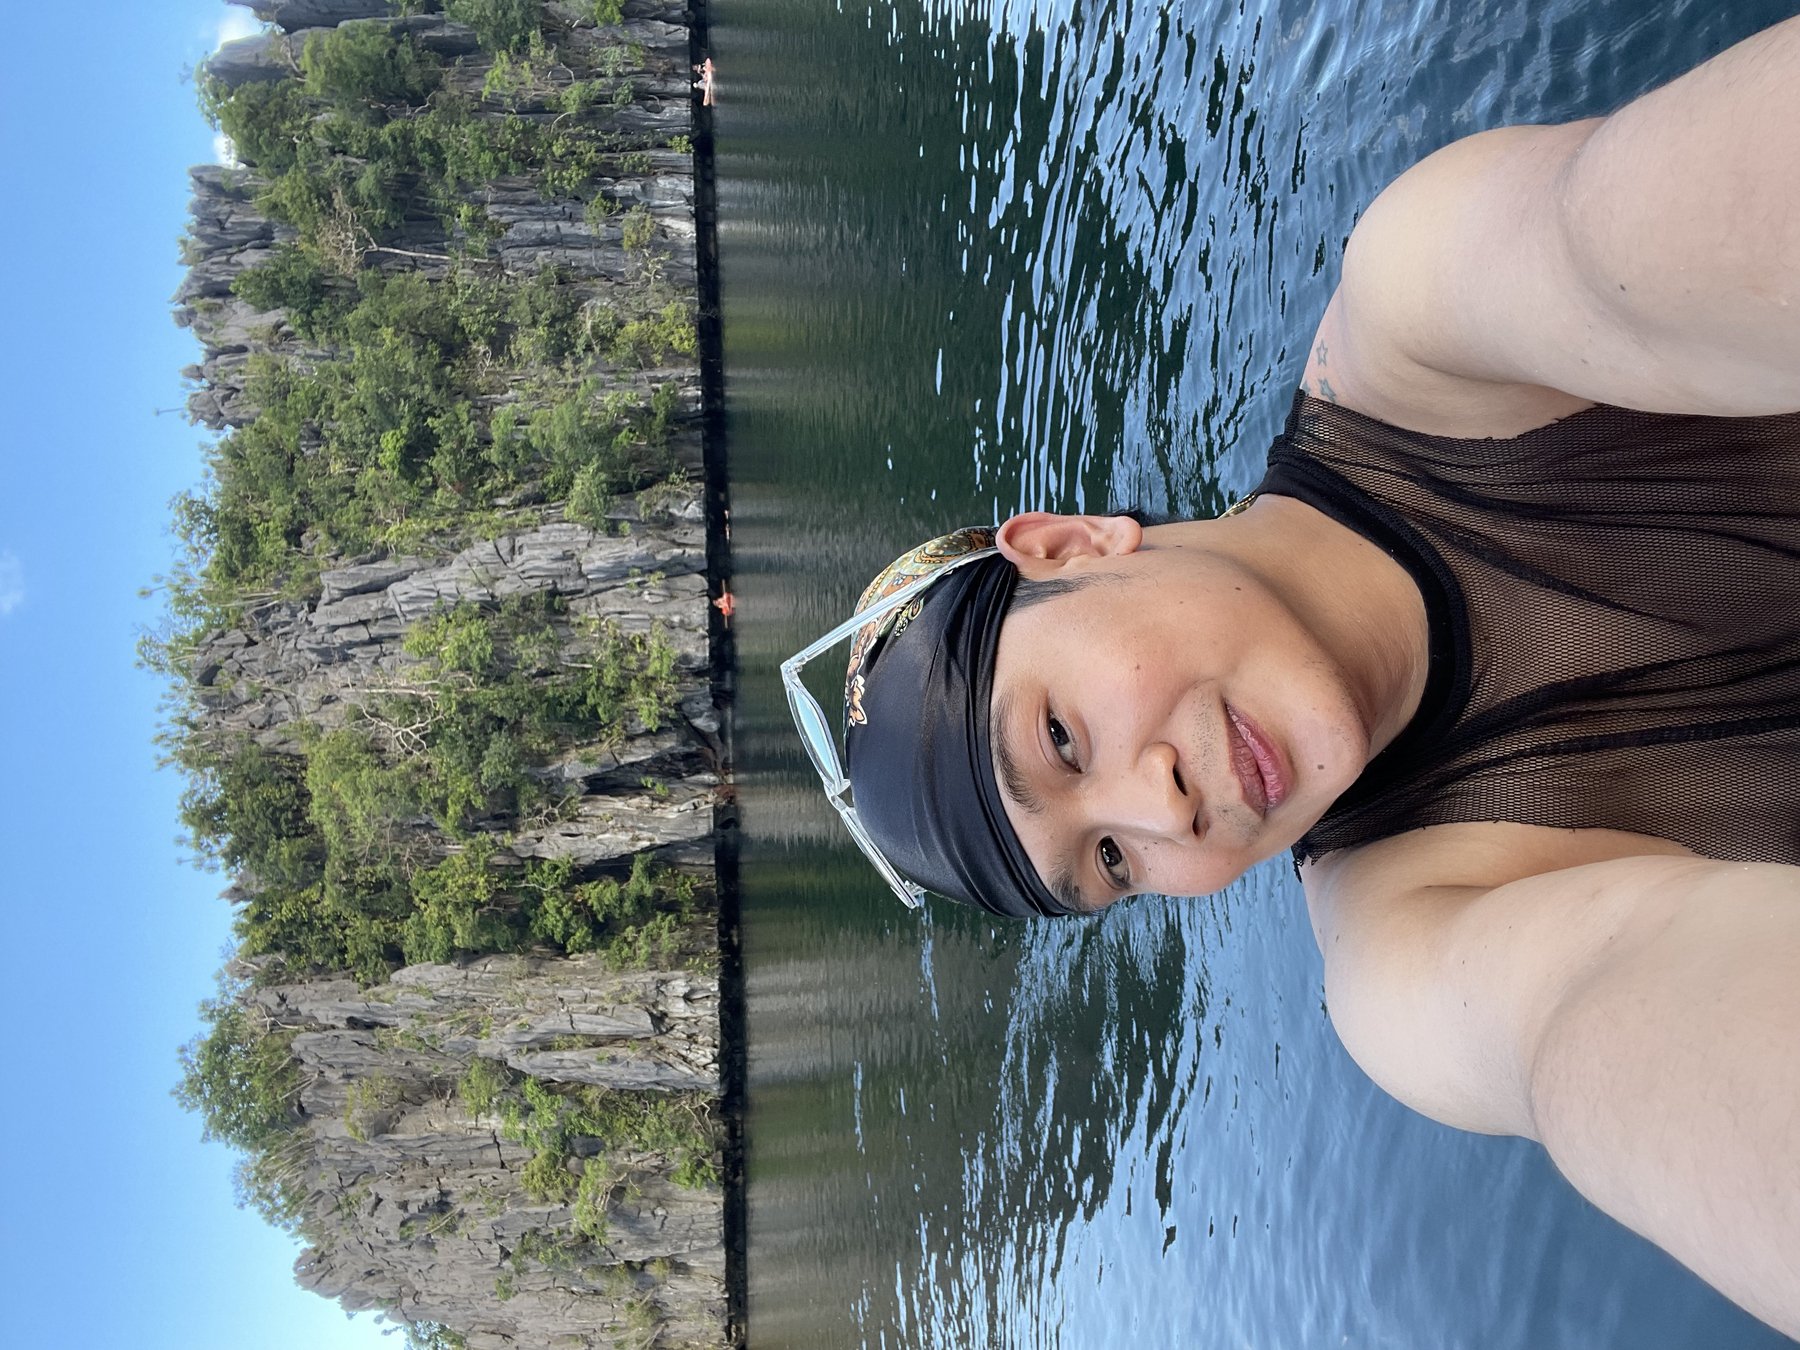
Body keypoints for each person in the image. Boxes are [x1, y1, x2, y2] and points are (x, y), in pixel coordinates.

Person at [790, 12, 1800, 1339]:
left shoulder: (1428, 327)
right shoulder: (1414, 953)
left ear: (1071, 544)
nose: (1162, 812)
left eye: (1062, 736)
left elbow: (1609, 242)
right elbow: (1585, 1028)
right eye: (1112, 864)